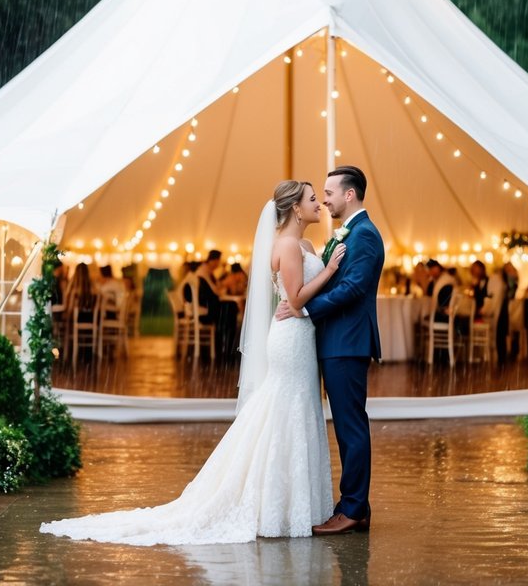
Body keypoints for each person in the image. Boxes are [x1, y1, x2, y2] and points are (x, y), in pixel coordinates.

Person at [40, 180, 345, 545]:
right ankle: (272, 504)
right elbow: (295, 301)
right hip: (291, 340)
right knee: (285, 412)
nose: (319, 204)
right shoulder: (285, 245)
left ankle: (298, 503)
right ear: (296, 207)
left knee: (300, 409)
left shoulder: (308, 245)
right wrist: (328, 272)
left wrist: (325, 271)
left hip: (302, 339)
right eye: (313, 199)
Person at [276, 165, 384, 536]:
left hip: (347, 343)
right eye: (318, 195)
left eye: (329, 193)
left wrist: (304, 308)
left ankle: (353, 509)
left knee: (351, 428)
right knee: (347, 428)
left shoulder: (364, 235)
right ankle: (353, 505)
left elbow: (353, 288)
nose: (324, 199)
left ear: (349, 195)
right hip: (335, 342)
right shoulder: (348, 234)